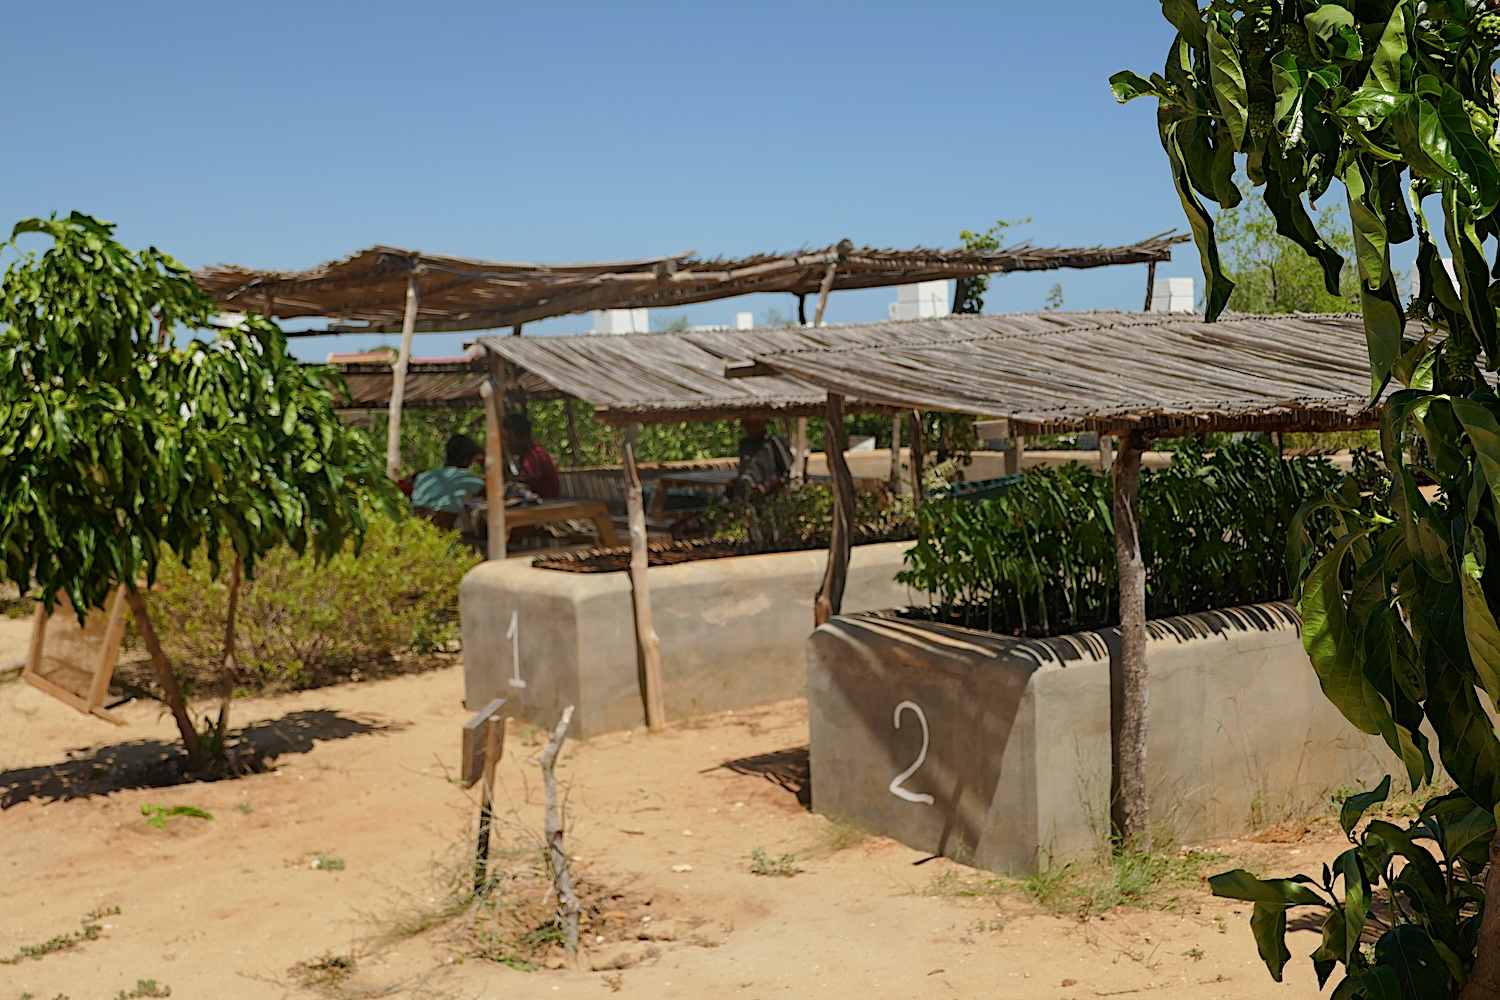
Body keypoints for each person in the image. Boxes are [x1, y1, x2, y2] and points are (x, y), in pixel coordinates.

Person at [411, 434, 486, 529]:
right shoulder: (468, 478)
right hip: (444, 530)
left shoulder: (424, 476)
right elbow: (491, 496)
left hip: (418, 528)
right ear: (468, 459)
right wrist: (484, 462)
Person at [730, 417, 794, 498]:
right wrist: (735, 483)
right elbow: (747, 472)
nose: (752, 427)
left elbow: (786, 475)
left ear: (764, 423)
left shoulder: (772, 443)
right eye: (748, 423)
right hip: (747, 497)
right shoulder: (744, 444)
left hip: (770, 498)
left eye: (756, 423)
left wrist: (766, 486)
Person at [503, 412, 560, 499]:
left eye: (511, 441)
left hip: (547, 505)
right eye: (506, 441)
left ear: (524, 437)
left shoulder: (535, 456)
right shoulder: (526, 456)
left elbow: (529, 482)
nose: (508, 445)